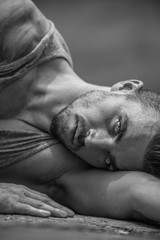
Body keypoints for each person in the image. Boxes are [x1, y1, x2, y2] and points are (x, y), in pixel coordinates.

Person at [1, 0, 160, 222]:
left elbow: (137, 193)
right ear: (126, 88)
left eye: (108, 161)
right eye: (117, 127)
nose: (93, 142)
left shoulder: (58, 172)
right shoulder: (14, 24)